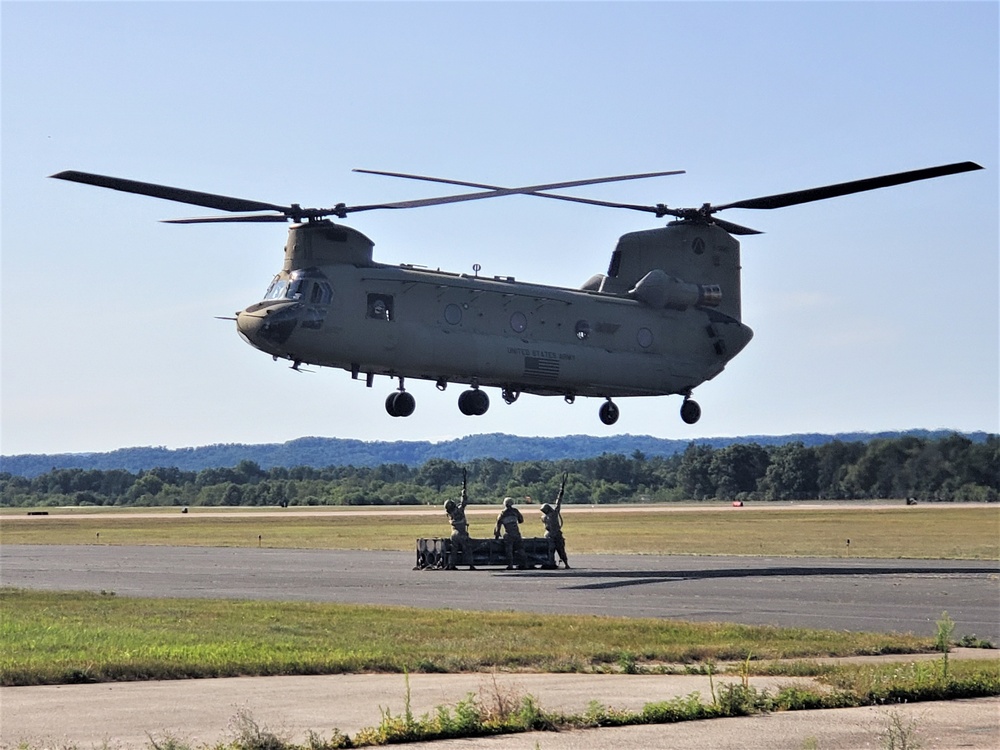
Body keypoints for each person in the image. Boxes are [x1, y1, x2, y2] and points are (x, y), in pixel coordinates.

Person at [444, 476, 475, 570]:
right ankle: (471, 565)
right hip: (461, 532)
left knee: (454, 550)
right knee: (467, 549)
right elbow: (464, 502)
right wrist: (463, 492)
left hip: (453, 533)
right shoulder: (459, 511)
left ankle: (451, 564)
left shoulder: (449, 514)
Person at [540, 473, 570, 569]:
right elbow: (558, 503)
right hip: (551, 535)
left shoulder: (551, 515)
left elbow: (558, 502)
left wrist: (561, 492)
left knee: (560, 549)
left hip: (555, 534)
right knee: (552, 549)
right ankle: (551, 563)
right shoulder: (549, 515)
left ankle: (564, 563)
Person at [494, 497, 526, 569]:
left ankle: (510, 565)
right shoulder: (515, 511)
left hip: (508, 534)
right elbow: (521, 520)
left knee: (509, 550)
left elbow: (498, 525)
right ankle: (525, 563)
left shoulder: (503, 513)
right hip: (517, 533)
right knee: (520, 549)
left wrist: (497, 535)